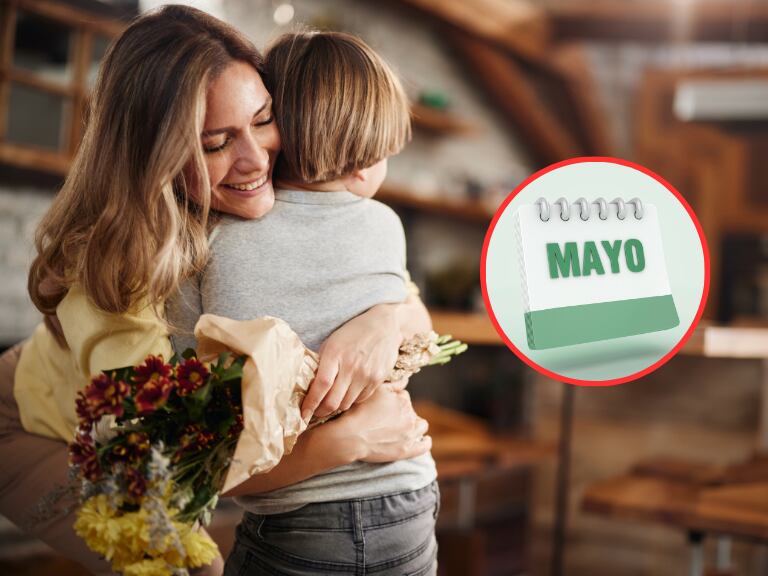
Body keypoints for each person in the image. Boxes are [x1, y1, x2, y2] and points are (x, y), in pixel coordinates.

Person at [0, 6, 432, 575]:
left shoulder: (257, 198)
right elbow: (175, 471)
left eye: (263, 118)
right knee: (176, 563)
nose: (255, 161)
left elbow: (409, 306)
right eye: (214, 143)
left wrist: (380, 319)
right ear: (156, 157)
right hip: (31, 417)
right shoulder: (124, 276)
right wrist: (343, 443)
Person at [167, 31, 439, 576]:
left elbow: (189, 422)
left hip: (294, 518)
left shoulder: (206, 240)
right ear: (364, 164)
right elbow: (421, 335)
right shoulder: (386, 227)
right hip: (407, 496)